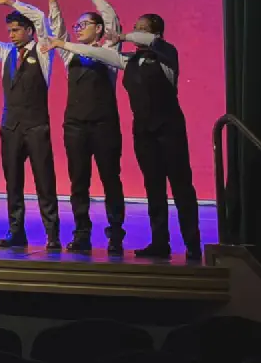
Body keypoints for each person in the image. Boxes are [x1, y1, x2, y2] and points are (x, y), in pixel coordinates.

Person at [46, 13, 201, 260]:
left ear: (155, 34)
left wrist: (123, 35)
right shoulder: (128, 60)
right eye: (134, 27)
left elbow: (144, 40)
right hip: (144, 134)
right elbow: (98, 54)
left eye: (141, 29)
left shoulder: (167, 54)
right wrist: (63, 44)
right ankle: (160, 242)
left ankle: (193, 244)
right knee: (154, 189)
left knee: (181, 188)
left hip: (170, 132)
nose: (135, 32)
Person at [0, 0, 62, 250]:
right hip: (10, 127)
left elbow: (41, 17)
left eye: (17, 30)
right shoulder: (7, 52)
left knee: (45, 181)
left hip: (36, 126)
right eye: (9, 30)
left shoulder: (44, 52)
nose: (11, 34)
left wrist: (10, 1)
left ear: (30, 31)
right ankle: (16, 231)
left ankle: (52, 234)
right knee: (13, 183)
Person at [49, 0, 126, 255]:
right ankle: (82, 233)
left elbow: (112, 19)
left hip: (104, 125)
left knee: (110, 179)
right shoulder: (71, 57)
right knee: (78, 181)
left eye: (84, 25)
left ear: (99, 29)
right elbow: (57, 31)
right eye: (77, 25)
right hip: (75, 126)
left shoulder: (108, 51)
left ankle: (115, 233)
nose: (78, 29)